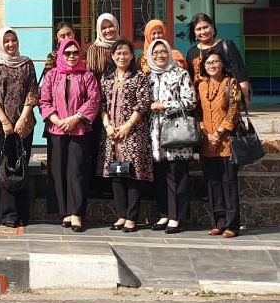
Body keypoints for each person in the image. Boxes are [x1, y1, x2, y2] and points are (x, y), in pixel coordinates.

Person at [39, 37, 102, 232]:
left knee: (77, 171)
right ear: (61, 54)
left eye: (75, 53)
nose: (72, 56)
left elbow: (94, 100)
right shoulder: (52, 75)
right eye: (68, 53)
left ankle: (76, 213)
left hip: (79, 129)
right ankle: (63, 211)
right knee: (58, 170)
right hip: (57, 129)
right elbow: (44, 100)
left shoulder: (87, 75)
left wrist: (75, 118)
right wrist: (57, 120)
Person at [0, 27, 40, 228]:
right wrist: (5, 121)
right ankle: (8, 214)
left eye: (13, 40)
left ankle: (23, 214)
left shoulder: (26, 63)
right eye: (6, 41)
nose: (10, 44)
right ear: (0, 43)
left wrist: (23, 118)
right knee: (5, 167)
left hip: (24, 126)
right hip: (2, 127)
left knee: (21, 167)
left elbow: (33, 91)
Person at [97, 38, 152, 233]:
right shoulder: (107, 77)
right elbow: (101, 104)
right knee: (117, 175)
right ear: (112, 55)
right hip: (112, 136)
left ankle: (132, 217)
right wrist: (107, 125)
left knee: (132, 176)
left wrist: (128, 125)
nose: (122, 56)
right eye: (118, 53)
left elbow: (143, 103)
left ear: (131, 55)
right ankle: (121, 215)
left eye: (126, 53)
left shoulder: (139, 77)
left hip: (133, 134)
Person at [147, 38, 197, 234]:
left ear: (169, 53)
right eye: (156, 52)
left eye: (163, 52)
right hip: (155, 133)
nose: (160, 55)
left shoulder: (180, 74)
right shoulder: (148, 76)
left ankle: (177, 217)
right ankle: (164, 214)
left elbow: (190, 101)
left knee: (177, 175)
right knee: (160, 175)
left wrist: (165, 106)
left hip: (176, 129)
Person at [197, 48, 243, 237]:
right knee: (213, 183)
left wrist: (219, 132)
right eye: (208, 63)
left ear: (222, 63)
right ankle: (218, 222)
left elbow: (234, 110)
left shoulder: (231, 83)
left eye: (215, 62)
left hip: (226, 141)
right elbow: (197, 111)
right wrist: (205, 132)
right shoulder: (200, 85)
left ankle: (232, 225)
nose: (212, 66)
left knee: (229, 182)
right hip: (207, 141)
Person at [185, 13, 250, 107]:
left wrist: (244, 96)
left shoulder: (226, 45)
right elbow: (191, 79)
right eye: (198, 29)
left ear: (212, 27)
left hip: (226, 100)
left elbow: (239, 71)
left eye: (205, 27)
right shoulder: (191, 53)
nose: (203, 32)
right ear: (194, 32)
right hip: (202, 104)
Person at [86, 13, 120, 78]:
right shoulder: (94, 49)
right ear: (99, 30)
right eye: (103, 28)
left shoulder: (122, 46)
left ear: (116, 26)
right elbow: (91, 74)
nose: (108, 30)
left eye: (110, 26)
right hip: (100, 86)